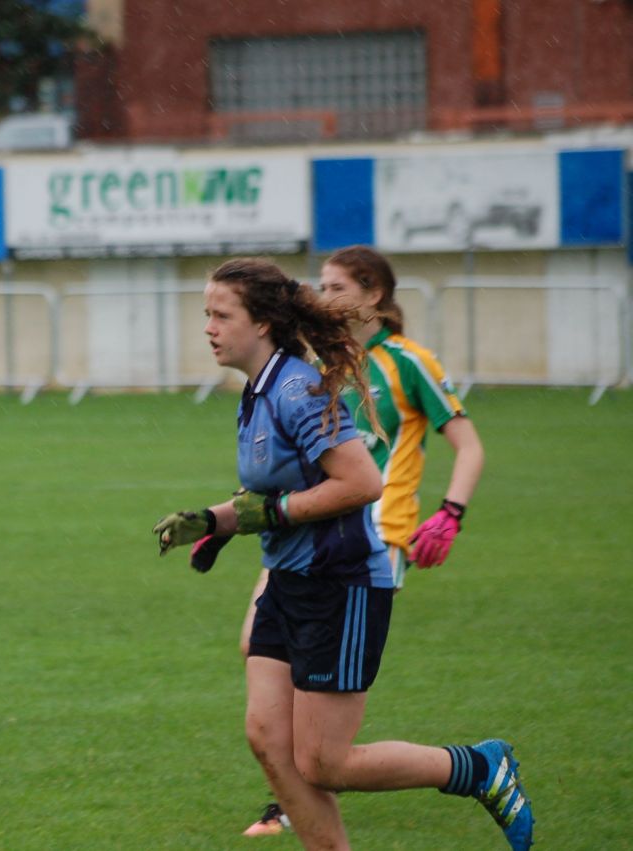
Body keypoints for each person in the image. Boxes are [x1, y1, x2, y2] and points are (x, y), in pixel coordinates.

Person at [152, 258, 532, 851]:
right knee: (267, 737)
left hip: (340, 583)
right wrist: (214, 521)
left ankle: (478, 768)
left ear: (263, 324)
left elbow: (361, 483)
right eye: (207, 315)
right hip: (289, 577)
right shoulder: (257, 391)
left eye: (221, 315)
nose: (209, 327)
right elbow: (270, 491)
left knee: (326, 763)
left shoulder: (298, 389)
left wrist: (270, 515)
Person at [238, 246, 487, 837]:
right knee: (260, 647)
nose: (326, 297)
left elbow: (469, 444)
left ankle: (304, 786)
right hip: (305, 532)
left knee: (316, 676)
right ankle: (298, 785)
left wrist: (450, 514)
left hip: (373, 534)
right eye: (319, 286)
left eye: (338, 285)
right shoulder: (322, 363)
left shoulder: (407, 362)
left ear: (375, 294)